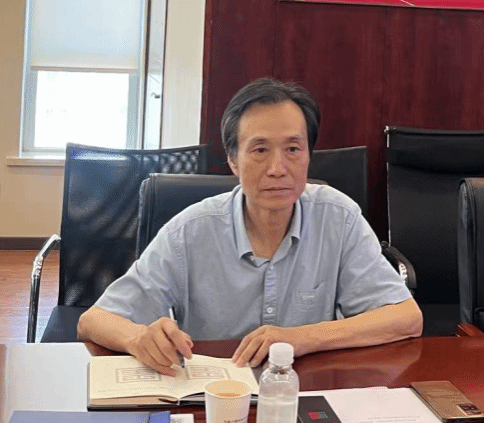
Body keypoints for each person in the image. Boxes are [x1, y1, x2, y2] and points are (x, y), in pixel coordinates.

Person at [77, 77, 422, 376]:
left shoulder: (338, 218)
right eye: (259, 150)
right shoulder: (190, 231)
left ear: (308, 155)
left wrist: (302, 337)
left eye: (293, 149)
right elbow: (94, 321)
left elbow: (406, 318)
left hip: (305, 391)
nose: (278, 168)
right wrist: (139, 339)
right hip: (213, 396)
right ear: (232, 160)